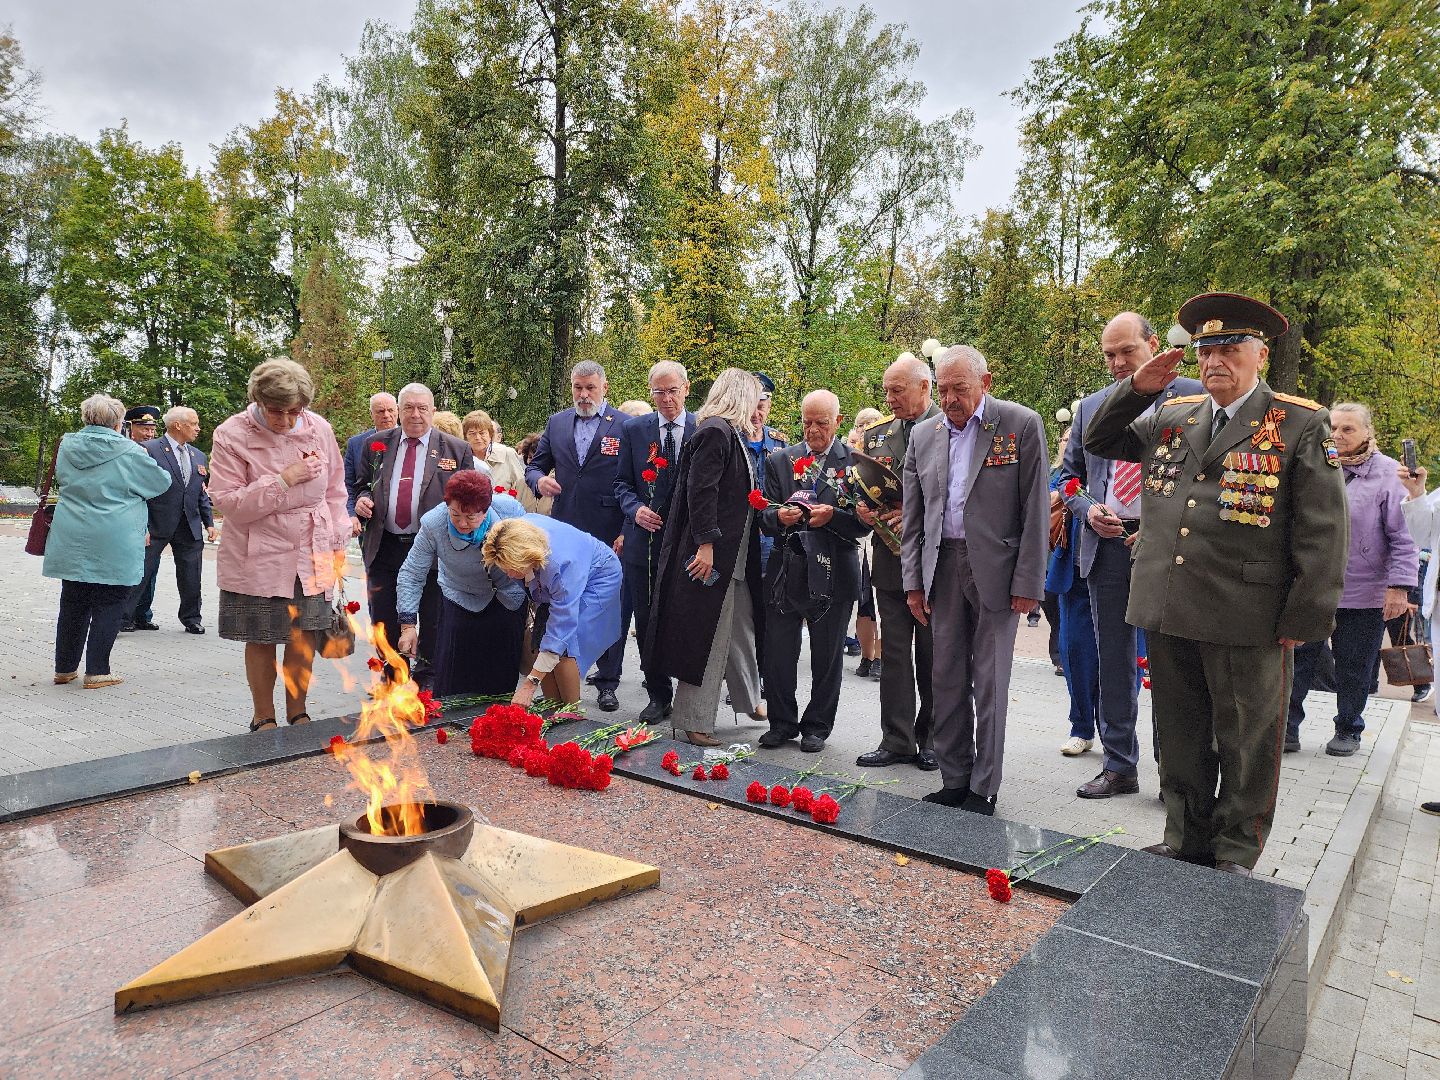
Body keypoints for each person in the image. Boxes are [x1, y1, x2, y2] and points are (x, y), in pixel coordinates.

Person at [1086, 292, 1348, 874]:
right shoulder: (1175, 416)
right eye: (1205, 350)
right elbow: (1099, 442)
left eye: (1230, 349)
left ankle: (1235, 850)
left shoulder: (1299, 424)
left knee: (1246, 740)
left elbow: (1323, 535)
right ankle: (1185, 838)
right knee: (1180, 733)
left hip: (1247, 613)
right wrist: (1139, 387)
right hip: (1170, 606)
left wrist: (1302, 622)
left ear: (1258, 354)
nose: (1215, 362)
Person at [1060, 312, 1204, 798]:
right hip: (1108, 544)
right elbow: (1068, 477)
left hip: (1171, 548)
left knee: (1169, 661)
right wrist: (1084, 508)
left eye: (1128, 352)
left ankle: (1175, 773)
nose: (1119, 363)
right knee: (1113, 659)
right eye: (1110, 355)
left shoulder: (1195, 394)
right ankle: (1120, 765)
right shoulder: (1094, 408)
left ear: (1153, 346)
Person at [902, 346, 1049, 814]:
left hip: (998, 572)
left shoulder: (1020, 424)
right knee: (945, 676)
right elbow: (913, 519)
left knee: (988, 682)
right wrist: (912, 583)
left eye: (959, 389)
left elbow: (1035, 510)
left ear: (985, 383)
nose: (948, 399)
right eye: (942, 390)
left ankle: (984, 787)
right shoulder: (923, 436)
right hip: (941, 567)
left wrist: (1029, 581)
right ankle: (954, 776)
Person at [208, 359, 350, 730]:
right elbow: (228, 502)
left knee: (303, 636)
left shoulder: (320, 428)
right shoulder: (232, 434)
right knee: (262, 636)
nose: (286, 420)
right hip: (258, 552)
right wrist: (284, 480)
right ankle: (263, 716)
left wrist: (337, 537)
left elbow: (336, 490)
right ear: (257, 400)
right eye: (276, 412)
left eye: (294, 411)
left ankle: (299, 713)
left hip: (311, 548)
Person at [644, 368, 767, 746]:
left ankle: (749, 700)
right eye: (756, 397)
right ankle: (693, 720)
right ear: (740, 395)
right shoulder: (717, 431)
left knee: (741, 629)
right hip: (716, 554)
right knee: (710, 636)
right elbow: (702, 492)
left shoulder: (726, 431)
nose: (759, 406)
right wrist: (707, 545)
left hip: (735, 554)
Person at [1286, 404, 1416, 755]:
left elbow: (1404, 537)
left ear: (1367, 433)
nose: (1338, 436)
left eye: (1348, 429)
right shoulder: (1313, 464)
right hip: (1312, 586)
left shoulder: (1389, 474)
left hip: (1364, 591)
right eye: (1333, 428)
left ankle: (1348, 728)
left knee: (1354, 665)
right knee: (1298, 661)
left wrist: (1398, 588)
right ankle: (1288, 728)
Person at [758, 389, 870, 753]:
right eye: (807, 422)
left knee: (827, 654)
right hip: (786, 570)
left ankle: (817, 727)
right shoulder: (780, 460)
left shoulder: (854, 463)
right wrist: (779, 516)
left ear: (838, 422)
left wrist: (832, 516)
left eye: (821, 423)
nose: (813, 430)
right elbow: (763, 516)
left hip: (834, 569)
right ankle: (781, 722)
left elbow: (864, 525)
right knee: (778, 650)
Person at [45, 394, 172, 688]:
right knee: (111, 600)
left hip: (72, 532)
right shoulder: (130, 451)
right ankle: (97, 671)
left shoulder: (67, 444)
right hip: (116, 535)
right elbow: (160, 483)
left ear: (86, 418)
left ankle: (64, 669)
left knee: (73, 599)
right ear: (118, 423)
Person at [352, 383, 475, 683]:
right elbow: (361, 484)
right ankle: (393, 673)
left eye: (422, 408)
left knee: (432, 616)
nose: (415, 415)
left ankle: (427, 679)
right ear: (399, 410)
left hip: (433, 549)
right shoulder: (377, 444)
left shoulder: (456, 449)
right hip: (385, 546)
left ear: (433, 411)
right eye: (408, 408)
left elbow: (472, 498)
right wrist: (361, 500)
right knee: (383, 615)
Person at [524, 361, 627, 711]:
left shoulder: (625, 426)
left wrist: (626, 529)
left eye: (590, 388)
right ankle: (560, 682)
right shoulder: (557, 423)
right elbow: (535, 465)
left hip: (608, 530)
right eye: (577, 388)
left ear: (604, 387)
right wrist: (538, 481)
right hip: (565, 529)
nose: (583, 395)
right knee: (559, 605)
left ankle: (607, 681)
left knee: (605, 606)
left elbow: (637, 483)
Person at [856, 354, 942, 771]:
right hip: (890, 559)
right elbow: (867, 487)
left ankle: (931, 740)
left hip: (937, 563)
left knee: (932, 655)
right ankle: (897, 739)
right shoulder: (876, 436)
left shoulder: (952, 428)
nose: (889, 398)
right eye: (886, 390)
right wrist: (862, 509)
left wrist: (917, 513)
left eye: (898, 390)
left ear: (924, 387)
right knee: (893, 654)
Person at [395, 470, 527, 696]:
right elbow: (412, 573)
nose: (462, 523)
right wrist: (407, 626)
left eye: (471, 516)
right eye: (455, 514)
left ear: (485, 510)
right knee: (453, 678)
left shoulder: (510, 512)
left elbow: (532, 553)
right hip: (460, 595)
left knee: (500, 678)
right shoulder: (433, 523)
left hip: (508, 597)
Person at [615, 360, 696, 724]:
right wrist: (635, 511)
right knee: (646, 618)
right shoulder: (634, 430)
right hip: (644, 541)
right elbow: (621, 484)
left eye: (672, 391)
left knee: (685, 617)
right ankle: (657, 693)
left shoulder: (704, 429)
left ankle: (690, 695)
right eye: (658, 392)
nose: (666, 399)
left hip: (688, 544)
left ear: (686, 389)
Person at [483, 516, 623, 709]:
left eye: (513, 569)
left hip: (598, 575)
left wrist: (529, 684)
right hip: (554, 566)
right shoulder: (514, 533)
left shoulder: (561, 567)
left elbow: (561, 628)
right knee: (540, 637)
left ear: (528, 557)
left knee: (566, 644)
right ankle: (552, 706)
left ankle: (570, 713)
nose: (509, 575)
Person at [132, 406, 217, 635]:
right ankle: (125, 616)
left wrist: (209, 522)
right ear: (178, 425)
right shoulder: (148, 449)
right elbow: (138, 488)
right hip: (156, 523)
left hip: (188, 524)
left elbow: (200, 491)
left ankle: (191, 618)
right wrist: (140, 524)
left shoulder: (198, 455)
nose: (198, 428)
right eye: (194, 423)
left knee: (191, 575)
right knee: (141, 572)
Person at [1047, 425, 1101, 757]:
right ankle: (1081, 727)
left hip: (1124, 569)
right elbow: (1055, 492)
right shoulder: (1066, 472)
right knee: (1075, 651)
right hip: (1075, 567)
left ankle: (1114, 729)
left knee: (1126, 658)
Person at [120, 403, 164, 631]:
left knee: (151, 569)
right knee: (133, 569)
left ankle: (143, 614)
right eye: (144, 429)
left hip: (155, 519)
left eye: (152, 429)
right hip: (133, 516)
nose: (149, 433)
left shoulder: (156, 450)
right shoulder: (124, 450)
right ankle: (124, 617)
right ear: (130, 427)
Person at [846, 407, 883, 674]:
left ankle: (880, 657)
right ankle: (866, 656)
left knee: (879, 601)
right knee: (862, 601)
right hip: (858, 539)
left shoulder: (884, 454)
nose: (866, 429)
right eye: (862, 425)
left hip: (881, 536)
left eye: (872, 424)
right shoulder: (849, 457)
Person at [743, 374, 789, 581]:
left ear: (769, 406)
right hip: (740, 533)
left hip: (771, 534)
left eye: (761, 406)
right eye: (750, 406)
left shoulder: (780, 444)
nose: (755, 413)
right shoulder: (729, 438)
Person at [344, 393, 399, 534]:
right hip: (369, 525)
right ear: (371, 414)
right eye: (380, 411)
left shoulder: (411, 441)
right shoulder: (356, 444)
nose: (386, 415)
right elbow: (347, 484)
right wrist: (351, 514)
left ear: (398, 410)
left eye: (391, 410)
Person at [462, 409, 527, 494]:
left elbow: (521, 487)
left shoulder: (507, 454)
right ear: (466, 437)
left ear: (490, 434)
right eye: (472, 433)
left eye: (482, 433)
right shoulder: (461, 457)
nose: (477, 437)